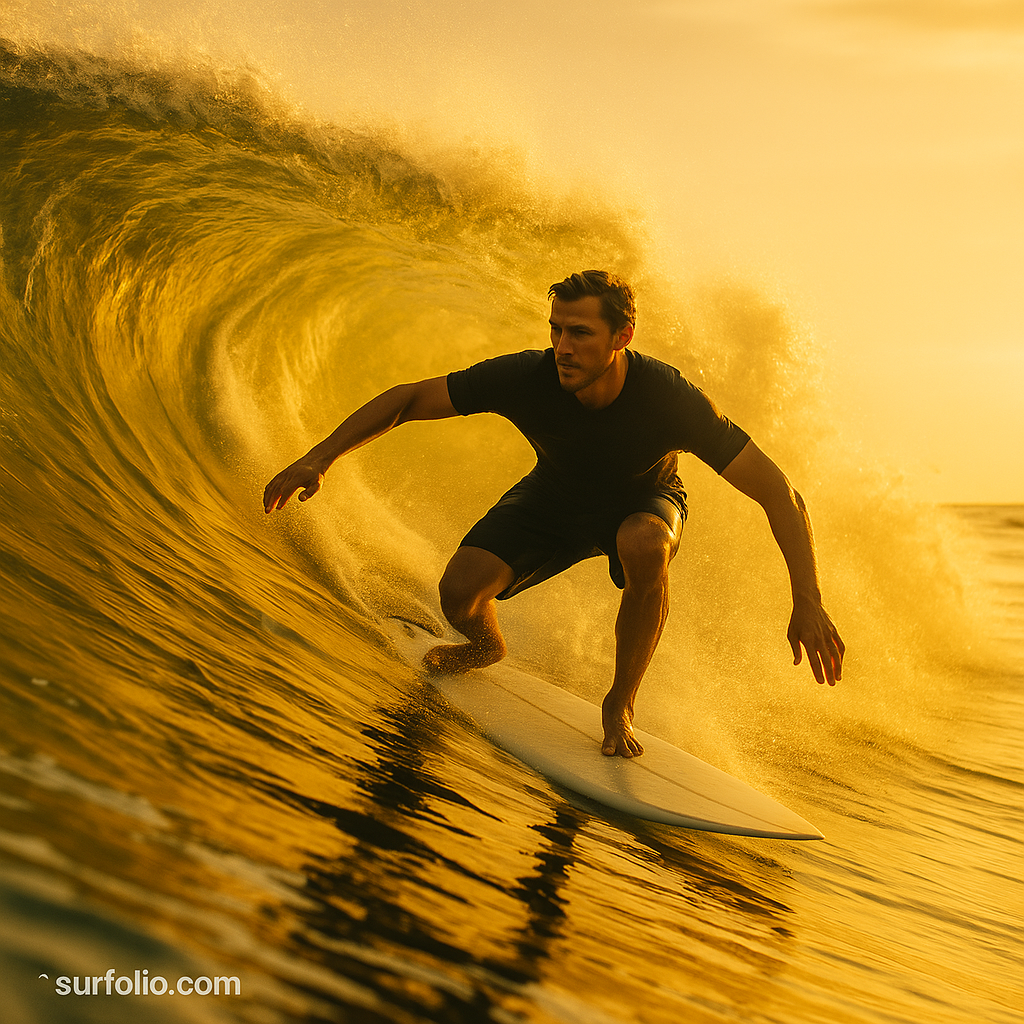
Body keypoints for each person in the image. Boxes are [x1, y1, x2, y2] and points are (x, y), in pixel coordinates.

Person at [263, 271, 844, 758]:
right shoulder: (530, 376)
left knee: (644, 544)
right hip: (556, 497)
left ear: (623, 335)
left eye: (581, 333)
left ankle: (620, 701)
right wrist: (318, 458)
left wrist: (807, 597)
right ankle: (486, 647)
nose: (564, 347)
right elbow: (409, 398)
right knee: (457, 595)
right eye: (557, 330)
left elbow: (779, 492)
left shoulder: (669, 397)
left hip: (645, 503)